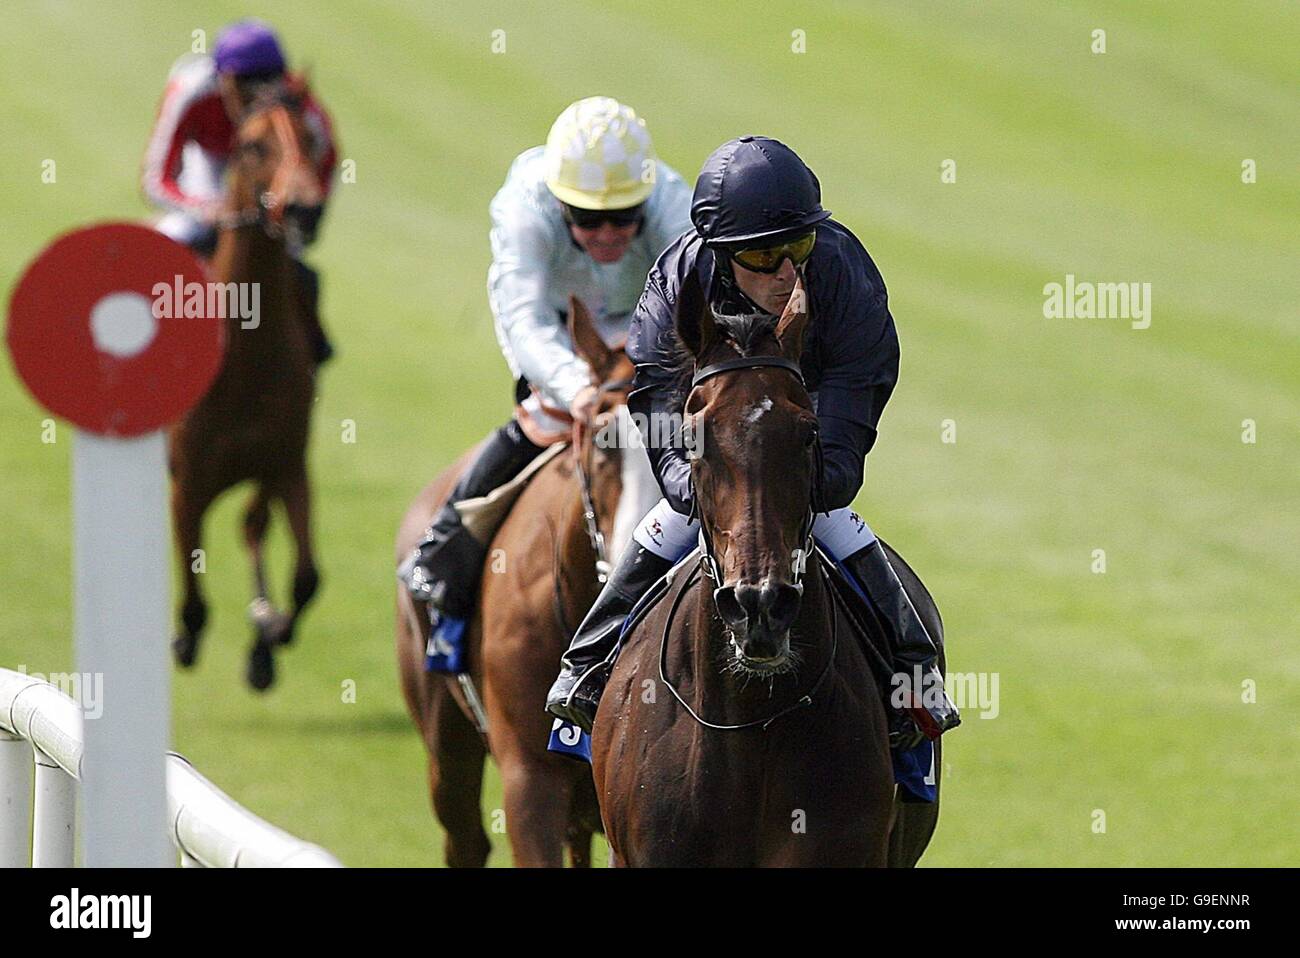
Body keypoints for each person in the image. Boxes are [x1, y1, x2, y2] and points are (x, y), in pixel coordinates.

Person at [546, 135, 961, 748]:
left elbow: (860, 374)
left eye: (799, 247)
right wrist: (687, 481)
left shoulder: (844, 273)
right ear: (723, 254)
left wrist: (829, 469)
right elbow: (658, 395)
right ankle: (585, 667)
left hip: (805, 420)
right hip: (718, 439)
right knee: (673, 518)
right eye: (767, 258)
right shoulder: (675, 287)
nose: (789, 271)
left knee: (833, 518)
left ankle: (916, 676)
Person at [397, 96, 692, 671]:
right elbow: (526, 318)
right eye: (587, 218)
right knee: (542, 415)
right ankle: (443, 557)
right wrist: (579, 391)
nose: (607, 232)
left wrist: (659, 383)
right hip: (557, 324)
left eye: (624, 216)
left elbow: (695, 308)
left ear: (646, 199)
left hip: (648, 325)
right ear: (560, 204)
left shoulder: (673, 204)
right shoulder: (524, 207)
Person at [141, 18, 338, 363]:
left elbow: (324, 165)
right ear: (224, 80)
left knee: (289, 260)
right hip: (210, 163)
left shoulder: (301, 110)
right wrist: (204, 208)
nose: (259, 95)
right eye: (247, 85)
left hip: (266, 172)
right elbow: (155, 179)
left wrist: (305, 216)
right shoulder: (190, 91)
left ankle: (312, 349)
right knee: (178, 235)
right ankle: (133, 342)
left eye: (271, 81)